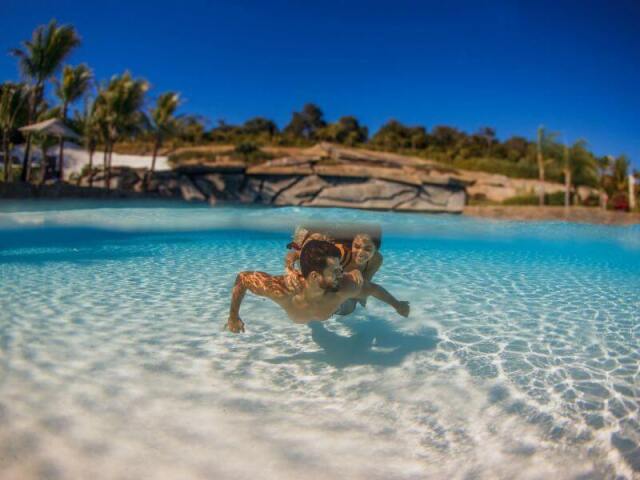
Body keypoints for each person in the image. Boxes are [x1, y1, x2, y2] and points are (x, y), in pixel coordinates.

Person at [226, 240, 409, 333]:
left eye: (341, 269)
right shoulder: (282, 289)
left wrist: (398, 305)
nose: (342, 273)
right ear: (314, 275)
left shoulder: (345, 286)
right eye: (335, 271)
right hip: (305, 308)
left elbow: (374, 289)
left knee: (350, 305)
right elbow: (242, 278)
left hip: (333, 310)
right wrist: (233, 317)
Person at [284, 224, 387, 315]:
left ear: (376, 250)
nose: (360, 253)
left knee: (350, 307)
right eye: (356, 246)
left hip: (333, 278)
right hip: (309, 244)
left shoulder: (376, 260)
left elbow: (364, 284)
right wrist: (289, 269)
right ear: (353, 243)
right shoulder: (339, 251)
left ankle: (329, 308)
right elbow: (295, 254)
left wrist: (361, 293)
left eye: (368, 249)